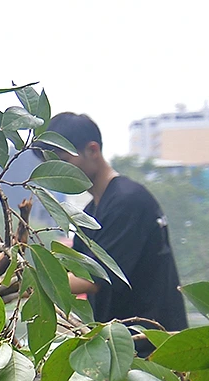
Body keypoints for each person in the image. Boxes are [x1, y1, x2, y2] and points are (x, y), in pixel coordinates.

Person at [44, 111, 188, 332]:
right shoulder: (89, 214)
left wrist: (36, 283)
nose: (59, 172)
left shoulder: (128, 202)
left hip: (151, 345)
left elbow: (92, 279)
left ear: (93, 150)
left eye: (64, 161)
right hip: (116, 343)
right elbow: (72, 272)